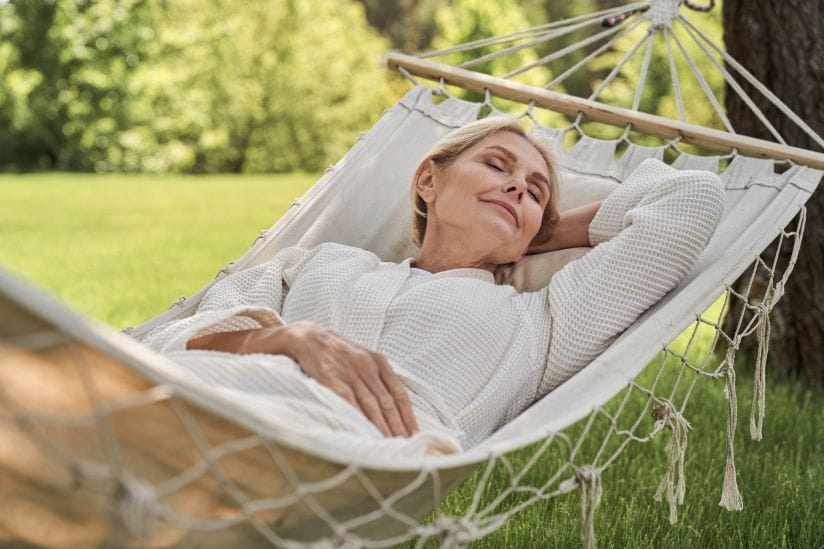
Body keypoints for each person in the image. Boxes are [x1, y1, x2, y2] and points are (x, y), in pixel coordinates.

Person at [138, 117, 726, 458]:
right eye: (497, 166)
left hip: (358, 456)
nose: (519, 186)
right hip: (211, 395)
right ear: (427, 181)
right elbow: (174, 343)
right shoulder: (317, 261)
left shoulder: (546, 320)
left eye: (537, 189)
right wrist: (290, 339)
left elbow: (695, 198)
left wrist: (541, 232)